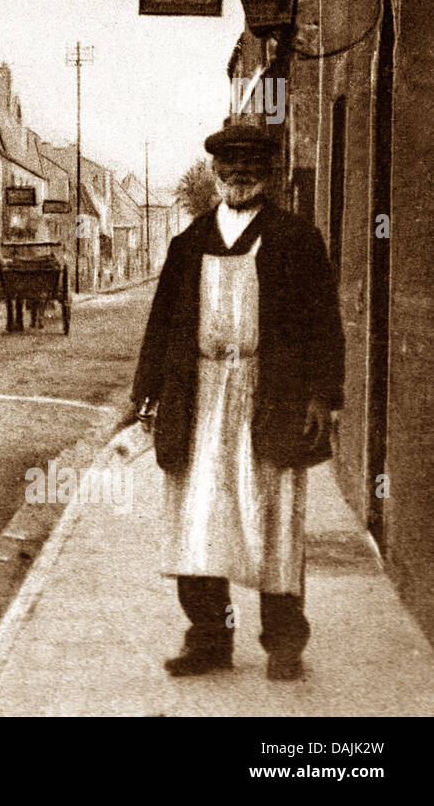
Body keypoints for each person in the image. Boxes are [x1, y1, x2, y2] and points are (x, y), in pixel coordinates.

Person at [118, 118, 344, 682]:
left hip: (273, 398)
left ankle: (284, 643)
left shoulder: (297, 239)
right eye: (231, 163)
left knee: (274, 521)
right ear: (216, 170)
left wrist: (323, 396)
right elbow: (162, 325)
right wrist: (144, 397)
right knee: (199, 523)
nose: (241, 172)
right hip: (198, 398)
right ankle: (210, 639)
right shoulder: (188, 242)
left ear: (267, 173)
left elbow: (324, 325)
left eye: (252, 163)